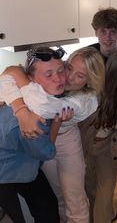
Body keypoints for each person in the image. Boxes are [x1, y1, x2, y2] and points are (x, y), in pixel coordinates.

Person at [0, 46, 105, 223]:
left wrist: (21, 108)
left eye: (80, 76)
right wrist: (22, 108)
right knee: (57, 194)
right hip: (37, 146)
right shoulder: (48, 79)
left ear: (89, 81)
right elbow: (10, 73)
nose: (68, 77)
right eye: (69, 68)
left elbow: (44, 106)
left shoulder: (87, 100)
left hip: (65, 141)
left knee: (75, 197)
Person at [0, 47, 72, 223]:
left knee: (47, 205)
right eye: (48, 74)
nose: (58, 78)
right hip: (8, 176)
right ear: (31, 80)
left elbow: (12, 70)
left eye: (61, 71)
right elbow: (46, 152)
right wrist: (57, 122)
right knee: (40, 214)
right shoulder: (34, 118)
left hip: (20, 167)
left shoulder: (27, 97)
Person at [80, 51, 117, 223]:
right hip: (87, 151)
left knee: (104, 196)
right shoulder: (95, 96)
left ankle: (105, 216)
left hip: (107, 152)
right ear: (114, 72)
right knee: (90, 191)